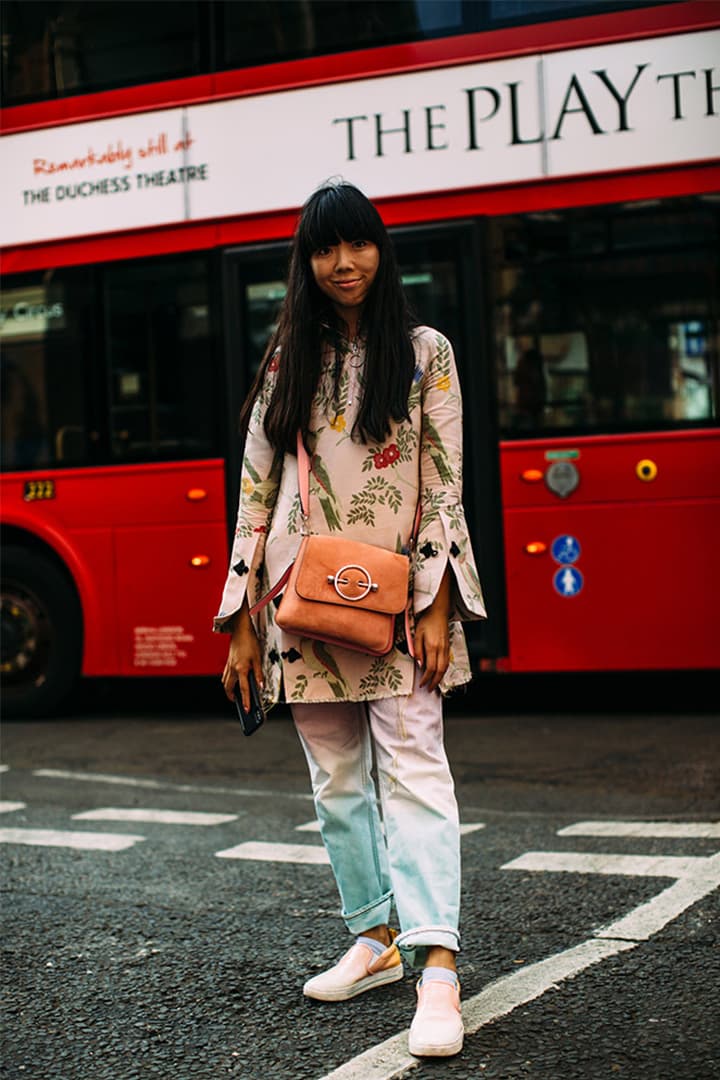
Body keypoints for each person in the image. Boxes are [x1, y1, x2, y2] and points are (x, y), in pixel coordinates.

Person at [216, 180, 486, 1058]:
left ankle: (436, 965)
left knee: (414, 771)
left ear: (381, 248)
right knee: (336, 781)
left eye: (358, 244)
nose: (344, 264)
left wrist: (441, 599)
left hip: (401, 604)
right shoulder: (286, 356)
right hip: (302, 603)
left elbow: (444, 480)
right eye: (326, 250)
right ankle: (375, 938)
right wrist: (240, 619)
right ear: (306, 262)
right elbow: (257, 487)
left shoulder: (426, 352)